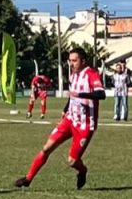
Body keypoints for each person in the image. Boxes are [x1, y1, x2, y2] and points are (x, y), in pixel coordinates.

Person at [14, 47, 105, 190]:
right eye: (70, 60)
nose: (71, 63)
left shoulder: (91, 74)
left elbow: (101, 94)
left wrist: (81, 95)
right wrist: (65, 109)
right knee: (46, 148)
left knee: (72, 161)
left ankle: (82, 171)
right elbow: (72, 96)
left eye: (74, 60)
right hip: (70, 119)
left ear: (83, 61)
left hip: (85, 124)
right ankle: (28, 179)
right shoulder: (73, 75)